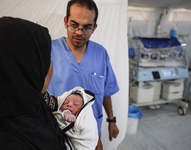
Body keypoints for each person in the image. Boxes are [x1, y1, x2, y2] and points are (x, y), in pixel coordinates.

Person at [47, 0, 119, 143]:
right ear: (65, 21)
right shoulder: (49, 51)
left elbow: (105, 91)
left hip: (92, 133)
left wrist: (111, 120)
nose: (79, 32)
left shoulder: (100, 53)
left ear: (94, 27)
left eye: (86, 27)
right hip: (57, 132)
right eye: (74, 25)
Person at [0, 17, 66, 150]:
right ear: (26, 66)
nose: (51, 65)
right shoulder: (12, 141)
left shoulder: (35, 103)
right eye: (46, 57)